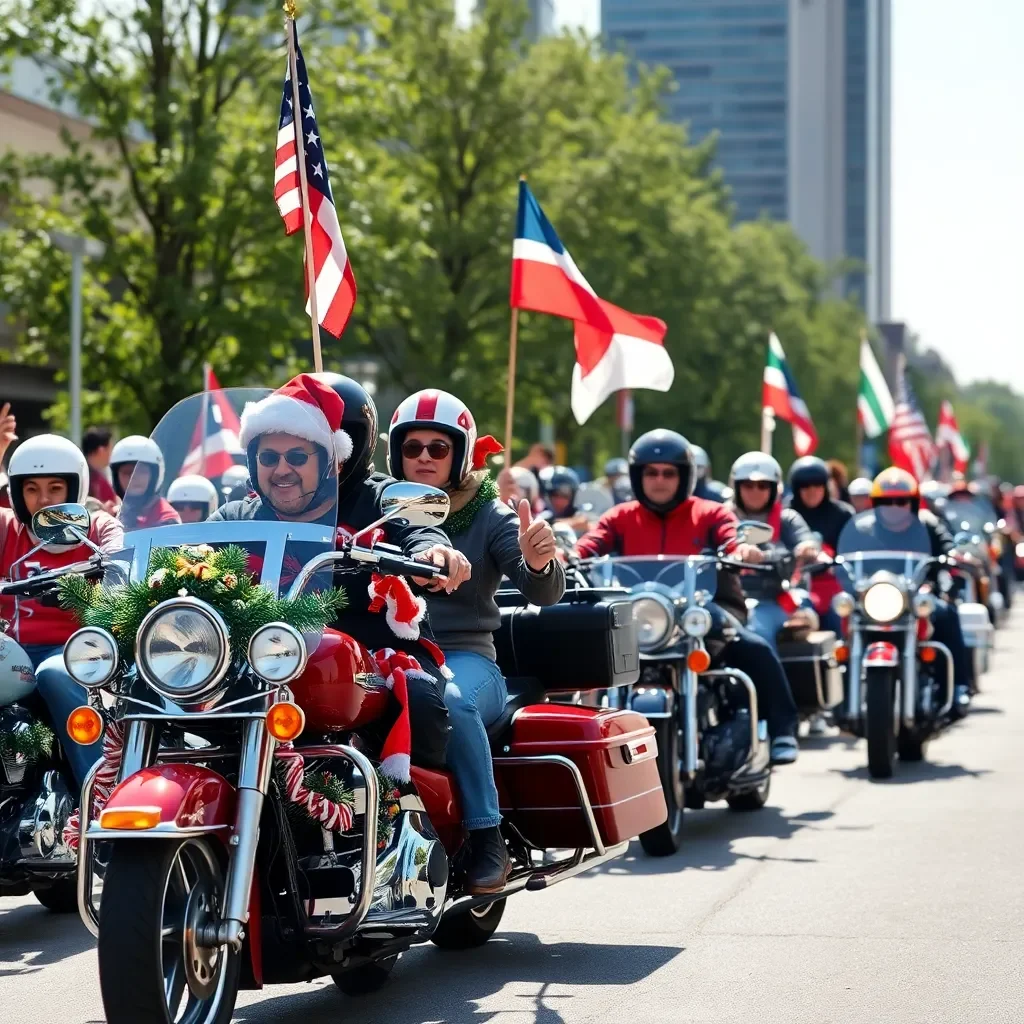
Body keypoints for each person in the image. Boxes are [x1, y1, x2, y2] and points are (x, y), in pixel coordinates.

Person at [209, 373, 472, 770]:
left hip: (370, 659)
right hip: (264, 662)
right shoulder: (239, 516)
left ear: (330, 460)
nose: (282, 469)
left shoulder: (379, 500)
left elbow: (419, 530)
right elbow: (188, 552)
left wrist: (434, 553)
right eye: (269, 457)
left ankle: (416, 816)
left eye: (297, 457)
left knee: (420, 702)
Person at [389, 388, 565, 893]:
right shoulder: (377, 507)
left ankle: (487, 836)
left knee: (451, 701)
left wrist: (538, 562)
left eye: (438, 448)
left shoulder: (489, 514)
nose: (423, 457)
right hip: (390, 653)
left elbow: (543, 589)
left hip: (465, 657)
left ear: (460, 455)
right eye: (413, 447)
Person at [575, 429, 800, 764]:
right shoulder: (620, 516)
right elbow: (590, 544)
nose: (660, 480)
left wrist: (743, 549)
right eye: (651, 472)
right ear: (638, 476)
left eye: (669, 472)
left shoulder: (710, 513)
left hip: (702, 609)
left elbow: (730, 537)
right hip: (641, 617)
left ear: (685, 476)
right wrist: (565, 555)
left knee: (755, 648)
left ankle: (783, 729)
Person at [0, 434, 124, 785]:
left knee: (54, 673)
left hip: (79, 652)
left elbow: (122, 563)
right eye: (31, 489)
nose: (43, 500)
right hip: (11, 652)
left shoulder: (98, 527)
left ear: (74, 489)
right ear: (17, 494)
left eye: (55, 488)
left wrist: (105, 573)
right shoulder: (8, 529)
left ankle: (98, 794)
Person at [869, 468, 973, 717]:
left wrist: (952, 555)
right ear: (875, 504)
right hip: (879, 599)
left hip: (918, 596)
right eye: (886, 502)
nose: (894, 507)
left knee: (947, 613)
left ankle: (959, 685)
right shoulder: (866, 528)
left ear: (913, 503)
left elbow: (946, 544)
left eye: (901, 501)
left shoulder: (927, 523)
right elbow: (849, 553)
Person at [726, 452, 819, 649]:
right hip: (725, 599)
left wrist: (806, 548)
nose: (755, 491)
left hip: (771, 598)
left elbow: (805, 540)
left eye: (763, 486)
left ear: (774, 489)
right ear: (736, 487)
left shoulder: (787, 519)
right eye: (748, 486)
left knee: (756, 631)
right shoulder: (722, 518)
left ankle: (762, 680)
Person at [786, 456, 855, 633]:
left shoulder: (842, 514)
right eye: (805, 485)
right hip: (793, 586)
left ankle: (843, 657)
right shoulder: (786, 515)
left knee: (839, 617)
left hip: (834, 585)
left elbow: (852, 551)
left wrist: (833, 561)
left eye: (817, 484)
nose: (812, 490)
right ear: (796, 488)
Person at [110, 435, 180, 530]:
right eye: (127, 472)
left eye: (141, 471)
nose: (134, 477)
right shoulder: (114, 515)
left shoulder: (167, 520)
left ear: (154, 475)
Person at [82, 426, 118, 510]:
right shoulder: (85, 479)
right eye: (110, 448)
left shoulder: (101, 473)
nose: (112, 453)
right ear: (101, 450)